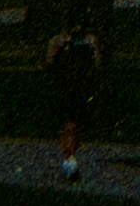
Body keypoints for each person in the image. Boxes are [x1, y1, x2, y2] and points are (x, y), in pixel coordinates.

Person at [44, 24, 106, 181]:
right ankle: (69, 161)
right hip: (68, 87)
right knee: (70, 125)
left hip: (80, 87)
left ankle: (70, 157)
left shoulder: (88, 41)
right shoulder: (60, 41)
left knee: (76, 126)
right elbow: (50, 62)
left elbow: (96, 63)